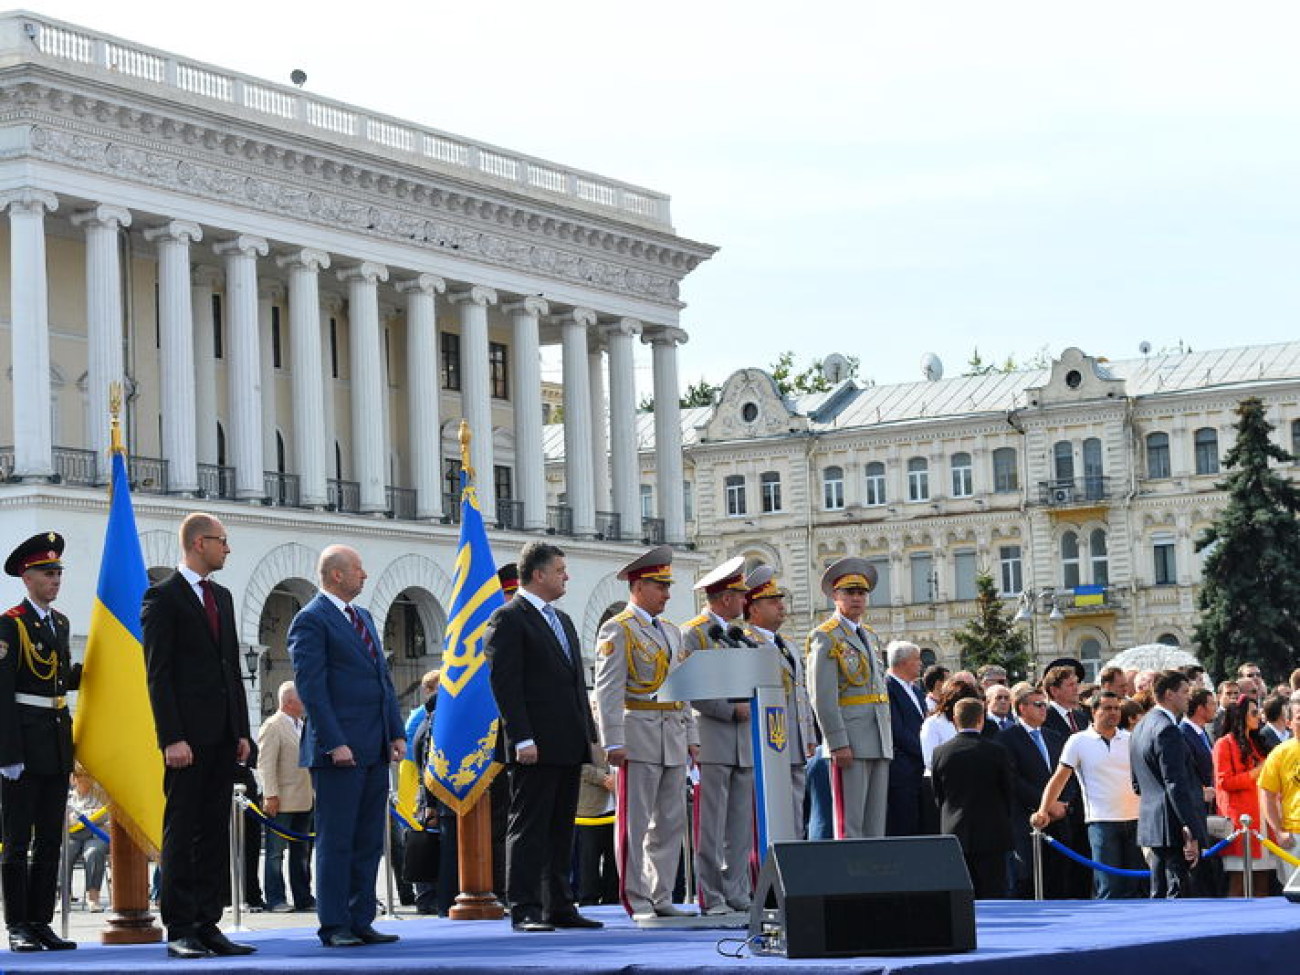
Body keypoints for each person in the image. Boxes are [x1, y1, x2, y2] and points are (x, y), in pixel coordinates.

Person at [142, 514, 254, 959]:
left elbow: (232, 668)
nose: (227, 549)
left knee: (213, 831)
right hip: (186, 739)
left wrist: (241, 731)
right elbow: (159, 674)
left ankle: (209, 923)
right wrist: (171, 736)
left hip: (222, 736)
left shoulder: (222, 597)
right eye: (222, 542)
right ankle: (181, 927)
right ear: (198, 543)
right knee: (183, 830)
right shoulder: (163, 597)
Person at [288, 545, 405, 948]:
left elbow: (382, 679)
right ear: (336, 575)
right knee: (337, 840)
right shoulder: (311, 620)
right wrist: (334, 742)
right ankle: (334, 924)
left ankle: (361, 919)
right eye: (358, 569)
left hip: (373, 746)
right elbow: (312, 689)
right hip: (338, 752)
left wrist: (396, 731)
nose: (365, 575)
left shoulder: (364, 618)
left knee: (368, 839)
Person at [486, 541, 601, 933]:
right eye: (559, 570)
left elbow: (574, 685)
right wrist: (521, 738)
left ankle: (559, 905)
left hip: (567, 742)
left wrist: (589, 735)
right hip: (533, 744)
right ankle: (525, 908)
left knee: (560, 829)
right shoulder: (509, 618)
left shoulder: (562, 621)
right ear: (537, 574)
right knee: (529, 827)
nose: (565, 576)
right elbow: (506, 685)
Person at [593, 545, 698, 921]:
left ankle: (661, 894)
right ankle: (635, 898)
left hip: (670, 734)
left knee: (669, 822)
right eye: (660, 586)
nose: (667, 594)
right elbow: (607, 689)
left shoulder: (671, 631)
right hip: (637, 732)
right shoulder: (617, 629)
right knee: (634, 822)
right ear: (638, 586)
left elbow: (680, 688)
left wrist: (691, 737)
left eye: (667, 586)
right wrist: (613, 740)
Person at [0, 532, 81, 953]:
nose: (55, 580)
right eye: (48, 574)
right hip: (24, 746)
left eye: (57, 573)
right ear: (27, 576)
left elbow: (59, 682)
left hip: (55, 742)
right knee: (17, 840)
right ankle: (17, 923)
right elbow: (3, 693)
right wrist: (8, 754)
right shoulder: (10, 624)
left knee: (51, 837)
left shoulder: (60, 623)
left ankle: (40, 921)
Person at [681, 555, 755, 915]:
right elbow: (691, 687)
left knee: (739, 826)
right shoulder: (694, 633)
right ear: (726, 598)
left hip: (744, 743)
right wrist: (729, 709)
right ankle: (710, 895)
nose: (745, 602)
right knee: (711, 826)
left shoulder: (740, 636)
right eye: (741, 596)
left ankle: (737, 891)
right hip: (713, 737)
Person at [806, 558, 893, 839]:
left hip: (878, 738)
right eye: (849, 593)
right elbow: (822, 696)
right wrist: (837, 741)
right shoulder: (826, 636)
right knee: (850, 824)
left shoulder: (869, 635)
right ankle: (852, 882)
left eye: (861, 593)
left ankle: (873, 879)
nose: (856, 598)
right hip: (851, 740)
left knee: (874, 824)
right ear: (835, 596)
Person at [1032, 691, 1144, 898]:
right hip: (1102, 821)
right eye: (1107, 708)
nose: (1113, 713)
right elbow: (1059, 779)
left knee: (1134, 886)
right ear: (1094, 711)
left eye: (1116, 708)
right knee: (1109, 886)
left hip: (1136, 819)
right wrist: (1043, 810)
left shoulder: (1131, 739)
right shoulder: (1078, 741)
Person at [740, 565, 815, 837]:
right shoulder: (746, 644)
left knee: (795, 808)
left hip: (792, 741)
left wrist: (807, 735)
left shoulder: (788, 645)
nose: (781, 606)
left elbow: (800, 694)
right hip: (767, 743)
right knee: (770, 811)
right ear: (754, 609)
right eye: (773, 601)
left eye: (780, 600)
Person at [1129, 669, 1207, 898]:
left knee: (1159, 892)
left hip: (1154, 822)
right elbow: (1174, 782)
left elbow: (1136, 783)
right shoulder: (1167, 730)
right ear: (1170, 694)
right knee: (1176, 894)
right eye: (1184, 692)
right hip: (1171, 826)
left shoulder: (1141, 727)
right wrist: (1190, 827)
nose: (1188, 697)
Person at [931, 699, 1014, 898]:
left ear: (954, 720)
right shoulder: (997, 752)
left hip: (955, 831)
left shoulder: (940, 753)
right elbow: (1008, 791)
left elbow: (938, 794)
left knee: (960, 897)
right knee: (993, 894)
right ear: (981, 719)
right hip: (992, 832)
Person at [999, 682, 1070, 898]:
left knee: (1059, 879)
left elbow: (1068, 774)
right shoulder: (1007, 738)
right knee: (1029, 880)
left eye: (1045, 705)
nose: (1043, 709)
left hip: (1059, 819)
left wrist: (1065, 803)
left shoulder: (1054, 737)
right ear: (1022, 708)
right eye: (1038, 705)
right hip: (1027, 818)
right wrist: (1046, 805)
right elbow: (1013, 780)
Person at [257, 681, 315, 913]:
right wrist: (270, 794)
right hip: (282, 800)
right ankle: (276, 898)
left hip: (304, 799)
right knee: (274, 853)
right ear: (290, 701)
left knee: (302, 853)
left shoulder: (302, 724)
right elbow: (266, 764)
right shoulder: (273, 726)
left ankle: (303, 897)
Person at [1212, 699, 1272, 897]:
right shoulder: (1224, 744)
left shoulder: (1257, 743)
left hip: (1262, 821)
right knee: (1239, 883)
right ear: (1241, 715)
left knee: (1263, 882)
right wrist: (1256, 772)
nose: (1259, 717)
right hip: (1240, 823)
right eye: (1254, 713)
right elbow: (1225, 783)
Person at [1180, 687, 1226, 897]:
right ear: (1200, 708)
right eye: (1212, 704)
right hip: (1196, 805)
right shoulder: (1183, 733)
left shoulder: (1201, 732)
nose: (1216, 709)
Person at [885, 640, 928, 837]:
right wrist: (924, 752)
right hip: (902, 768)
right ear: (903, 663)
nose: (921, 664)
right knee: (903, 825)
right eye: (917, 660)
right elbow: (897, 730)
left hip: (919, 769)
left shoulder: (916, 690)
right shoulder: (888, 687)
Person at [1258, 691, 1300, 876]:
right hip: (1295, 835)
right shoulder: (1280, 753)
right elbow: (1267, 793)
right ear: (1289, 722)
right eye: (1299, 718)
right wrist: (1278, 831)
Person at [64, 767, 109, 913]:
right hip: (73, 836)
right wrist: (86, 817)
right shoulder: (68, 797)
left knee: (93, 853)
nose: (82, 779)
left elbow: (104, 815)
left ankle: (93, 897)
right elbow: (65, 818)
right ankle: (64, 897)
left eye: (85, 775)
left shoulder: (100, 795)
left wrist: (81, 817)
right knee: (63, 853)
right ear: (73, 779)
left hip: (96, 835)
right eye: (78, 776)